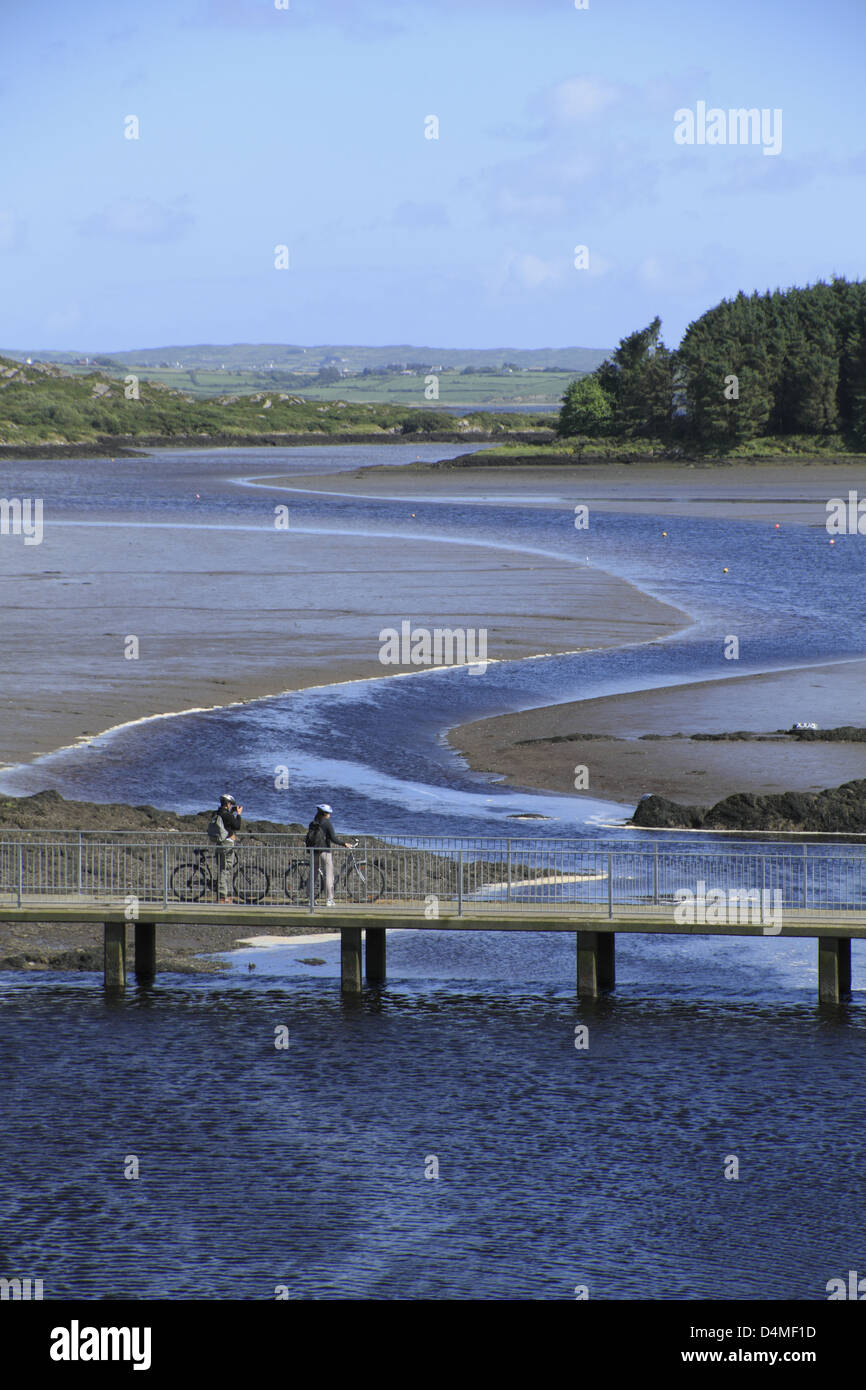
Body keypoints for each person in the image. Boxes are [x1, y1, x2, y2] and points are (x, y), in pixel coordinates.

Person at [305, 803, 355, 906]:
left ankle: (311, 899)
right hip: (324, 851)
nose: (330, 815)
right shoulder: (327, 823)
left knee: (313, 875)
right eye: (328, 813)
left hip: (314, 851)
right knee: (328, 875)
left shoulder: (313, 823)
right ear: (325, 814)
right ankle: (329, 899)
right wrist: (344, 844)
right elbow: (333, 838)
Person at [214, 793, 243, 903]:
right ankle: (222, 896)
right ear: (228, 803)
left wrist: (232, 812)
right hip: (227, 844)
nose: (231, 806)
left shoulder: (219, 813)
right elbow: (237, 826)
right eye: (230, 804)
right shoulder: (227, 815)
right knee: (225, 869)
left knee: (223, 868)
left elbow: (227, 821)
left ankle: (221, 894)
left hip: (220, 843)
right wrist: (239, 814)